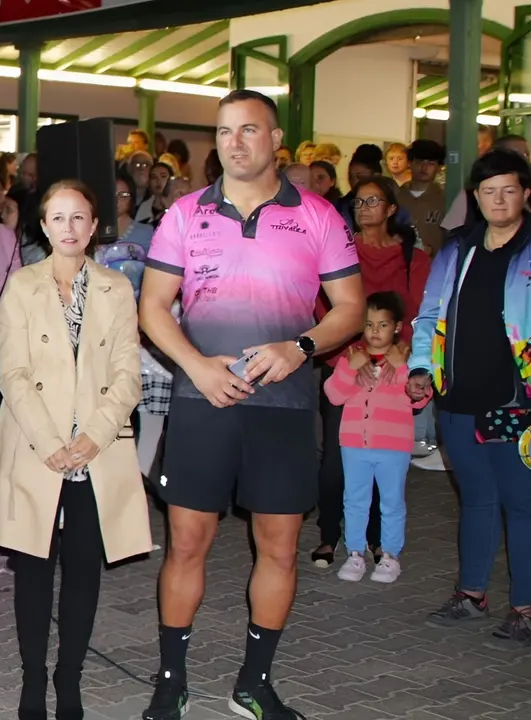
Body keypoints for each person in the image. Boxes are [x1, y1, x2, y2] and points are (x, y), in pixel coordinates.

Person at [139, 90, 363, 720]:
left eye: (248, 130)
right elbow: (153, 307)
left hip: (285, 406)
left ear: (274, 139)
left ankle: (254, 684)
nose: (234, 143)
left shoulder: (319, 216)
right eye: (224, 132)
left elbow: (349, 309)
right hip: (201, 399)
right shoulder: (184, 213)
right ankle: (169, 681)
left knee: (281, 546)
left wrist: (301, 346)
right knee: (186, 542)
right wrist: (196, 367)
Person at [0, 180, 150, 720]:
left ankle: (69, 677)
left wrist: (92, 437)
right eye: (59, 218)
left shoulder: (116, 288)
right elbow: (15, 372)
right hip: (36, 447)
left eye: (79, 218)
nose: (69, 227)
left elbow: (128, 373)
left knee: (83, 571)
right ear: (45, 226)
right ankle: (33, 680)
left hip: (96, 451)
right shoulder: (21, 287)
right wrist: (52, 444)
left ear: (93, 226)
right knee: (32, 569)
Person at [410, 150, 531, 647]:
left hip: (520, 404)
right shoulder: (457, 250)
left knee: (525, 504)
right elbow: (428, 318)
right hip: (459, 399)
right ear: (476, 197)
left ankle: (526, 610)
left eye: (509, 190)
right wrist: (422, 368)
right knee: (477, 500)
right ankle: (471, 595)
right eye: (489, 191)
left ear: (526, 195)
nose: (499, 199)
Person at [311, 176, 431, 568]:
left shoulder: (414, 258)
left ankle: (378, 543)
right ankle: (330, 536)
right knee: (336, 462)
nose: (364, 209)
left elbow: (424, 315)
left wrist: (402, 353)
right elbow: (323, 308)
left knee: (384, 457)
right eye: (358, 203)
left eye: (373, 201)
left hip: (396, 368)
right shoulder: (340, 253)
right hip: (349, 363)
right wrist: (354, 353)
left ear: (391, 209)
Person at [322, 292, 430, 584]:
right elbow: (333, 394)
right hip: (354, 444)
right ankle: (355, 553)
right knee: (354, 501)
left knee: (392, 502)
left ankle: (390, 556)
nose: (375, 331)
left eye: (383, 325)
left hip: (393, 446)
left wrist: (407, 369)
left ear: (396, 327)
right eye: (369, 324)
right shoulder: (353, 358)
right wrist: (352, 369)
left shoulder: (408, 359)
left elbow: (421, 399)